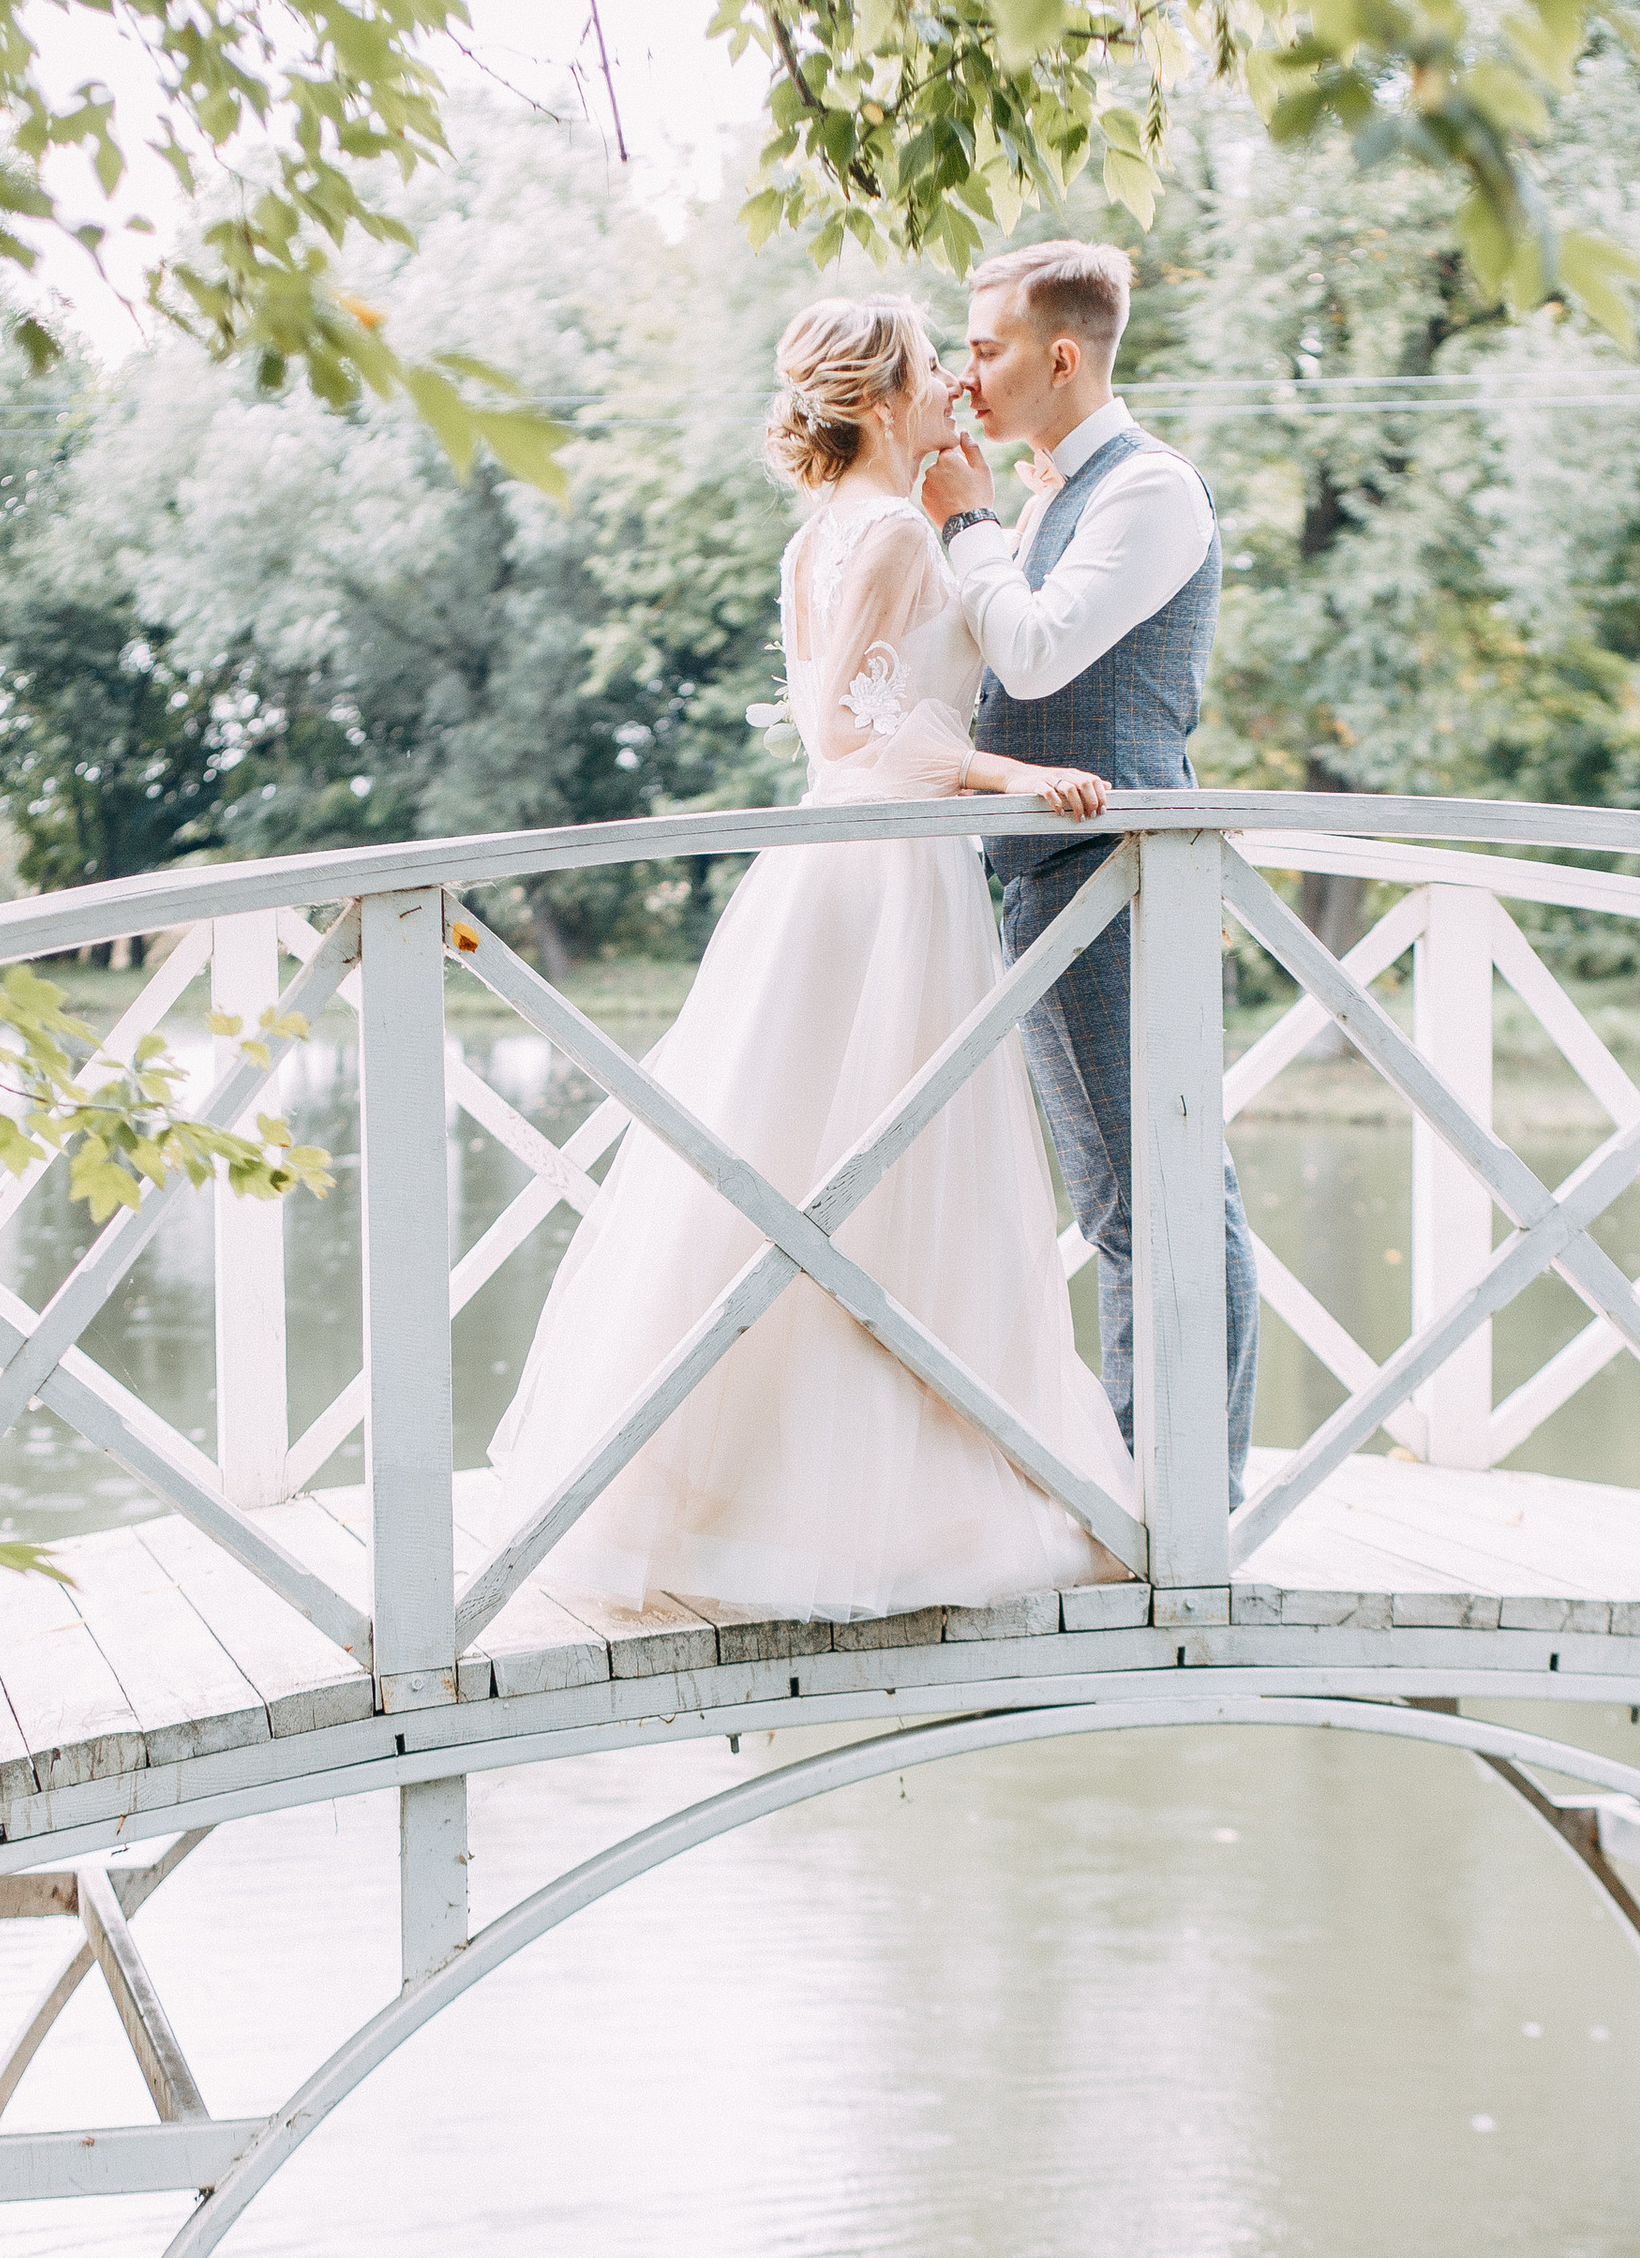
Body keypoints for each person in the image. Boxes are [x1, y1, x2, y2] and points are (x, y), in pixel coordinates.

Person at [486, 291, 1135, 1620]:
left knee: (798, 1164)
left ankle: (742, 1493)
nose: (959, 383)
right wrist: (1012, 772)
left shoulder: (826, 535)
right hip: (888, 879)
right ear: (888, 395)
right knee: (889, 1179)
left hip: (831, 872)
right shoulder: (891, 528)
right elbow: (851, 726)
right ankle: (876, 1507)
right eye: (935, 368)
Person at [918, 238, 1260, 1495]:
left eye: (988, 347)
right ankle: (1144, 1478)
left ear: (1062, 356)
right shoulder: (1056, 493)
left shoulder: (1148, 489)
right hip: (1045, 874)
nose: (969, 371)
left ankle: (1185, 1494)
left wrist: (962, 523)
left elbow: (1046, 653)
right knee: (1120, 1197)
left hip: (1116, 876)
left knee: (1162, 1186)